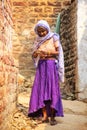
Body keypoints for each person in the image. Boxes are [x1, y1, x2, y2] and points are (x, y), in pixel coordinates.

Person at [28, 20, 64, 125]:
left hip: (51, 65)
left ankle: (52, 116)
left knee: (52, 89)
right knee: (41, 90)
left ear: (47, 29)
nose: (42, 33)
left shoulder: (54, 37)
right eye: (39, 32)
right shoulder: (37, 40)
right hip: (41, 67)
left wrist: (47, 52)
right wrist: (36, 53)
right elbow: (34, 55)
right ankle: (44, 116)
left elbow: (58, 52)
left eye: (43, 31)